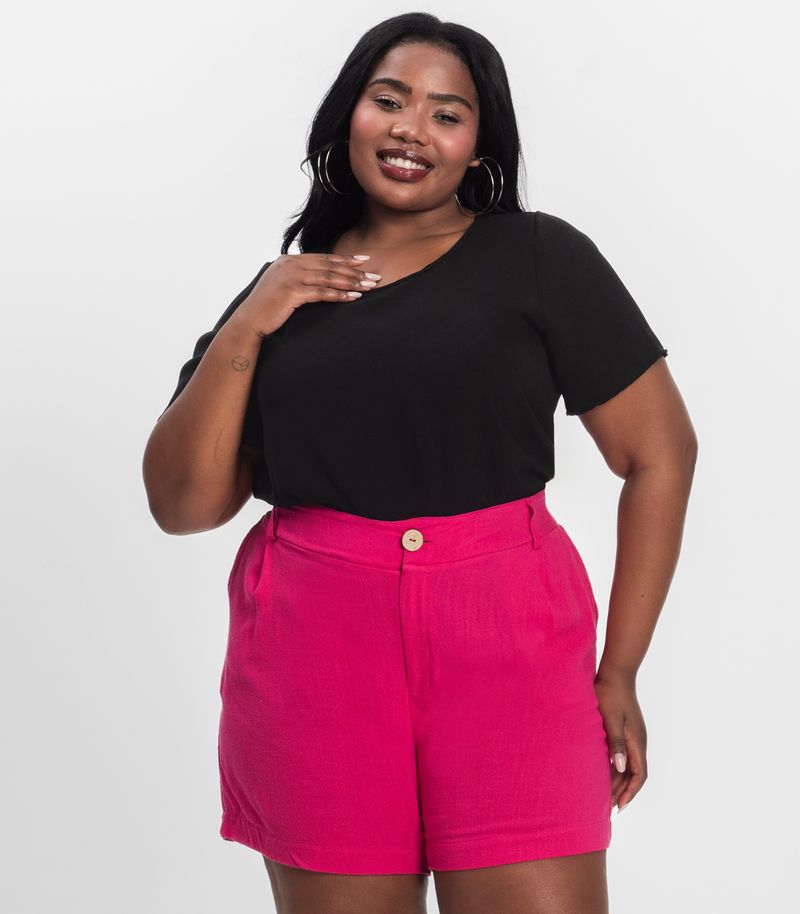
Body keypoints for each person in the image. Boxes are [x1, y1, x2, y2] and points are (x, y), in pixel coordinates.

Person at [143, 12, 697, 914]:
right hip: (314, 652)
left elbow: (661, 452)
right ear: (347, 116)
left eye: (447, 113)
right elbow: (183, 504)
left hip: (510, 644)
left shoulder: (538, 256)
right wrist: (249, 322)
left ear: (479, 146)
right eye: (389, 100)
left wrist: (621, 667)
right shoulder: (285, 290)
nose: (411, 129)